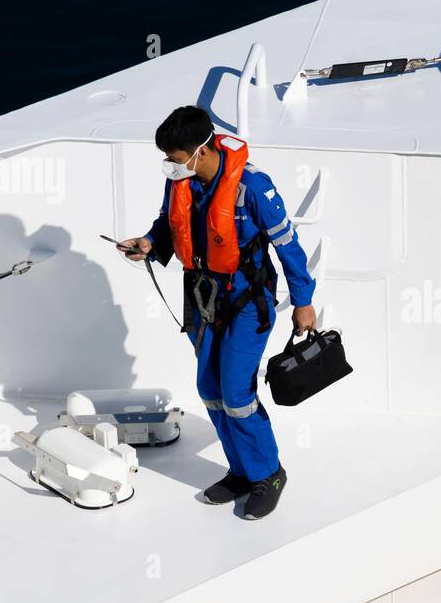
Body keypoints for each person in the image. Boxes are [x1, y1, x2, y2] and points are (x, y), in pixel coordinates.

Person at [117, 106, 316, 519]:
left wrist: (304, 301)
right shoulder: (182, 183)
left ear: (201, 152)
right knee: (210, 390)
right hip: (203, 301)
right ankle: (241, 471)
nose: (170, 167)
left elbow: (289, 247)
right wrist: (149, 244)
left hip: (248, 304)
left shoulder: (254, 187)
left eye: (174, 158)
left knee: (237, 394)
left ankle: (268, 473)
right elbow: (168, 227)